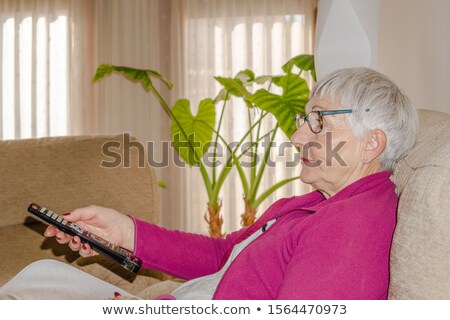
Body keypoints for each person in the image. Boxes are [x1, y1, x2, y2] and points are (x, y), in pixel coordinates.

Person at [0, 67, 418, 299]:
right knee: (39, 277)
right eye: (302, 120)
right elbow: (222, 254)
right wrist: (125, 230)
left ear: (371, 145)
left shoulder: (352, 227)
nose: (297, 137)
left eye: (317, 121)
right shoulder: (313, 204)